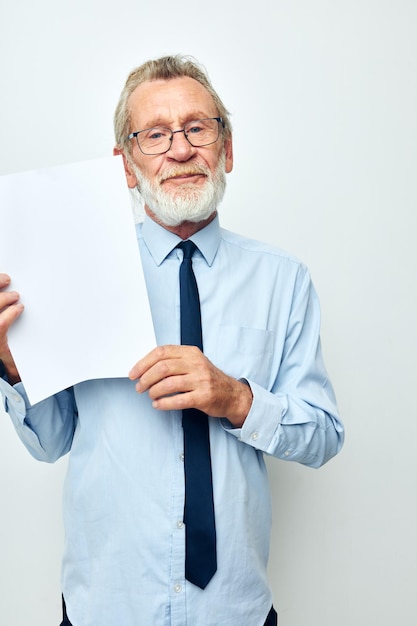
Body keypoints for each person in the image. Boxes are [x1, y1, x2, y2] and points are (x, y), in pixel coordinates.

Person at [0, 55, 344, 626]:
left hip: (234, 609)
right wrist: (14, 367)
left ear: (226, 149)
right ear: (126, 166)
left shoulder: (284, 280)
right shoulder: (75, 270)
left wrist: (236, 398)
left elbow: (323, 436)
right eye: (154, 135)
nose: (180, 150)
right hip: (104, 609)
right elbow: (52, 440)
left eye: (197, 128)